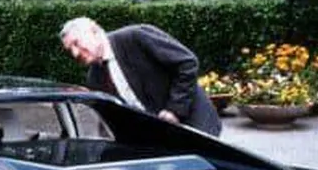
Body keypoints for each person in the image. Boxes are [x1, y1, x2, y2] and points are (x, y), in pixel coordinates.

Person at [60, 16, 222, 137]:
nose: (75, 53)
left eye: (76, 43)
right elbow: (113, 116)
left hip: (197, 126)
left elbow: (187, 63)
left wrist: (174, 110)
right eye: (69, 50)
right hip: (164, 138)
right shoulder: (94, 76)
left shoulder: (135, 37)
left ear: (94, 31)